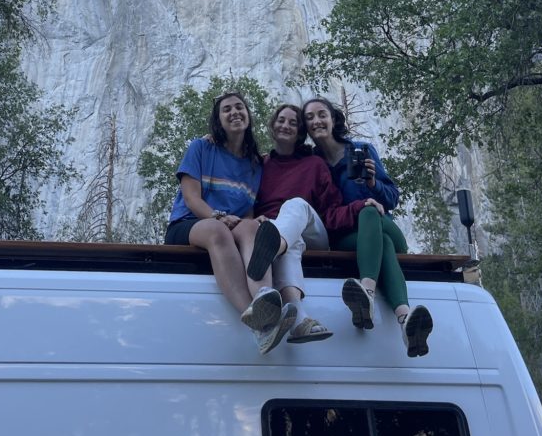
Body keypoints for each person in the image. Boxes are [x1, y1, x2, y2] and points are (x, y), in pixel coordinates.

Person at [164, 91, 297, 354]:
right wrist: (219, 217)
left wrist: (251, 220)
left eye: (240, 107)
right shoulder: (201, 148)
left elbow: (245, 210)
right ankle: (258, 323)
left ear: (248, 115)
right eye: (227, 109)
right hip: (191, 223)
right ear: (219, 120)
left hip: (228, 225)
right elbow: (191, 198)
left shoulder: (255, 164)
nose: (234, 112)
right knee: (217, 231)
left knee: (252, 228)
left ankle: (264, 299)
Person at [303, 95, 433, 358]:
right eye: (309, 117)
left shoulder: (361, 150)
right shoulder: (313, 164)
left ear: (332, 118)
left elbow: (392, 198)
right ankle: (405, 319)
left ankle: (367, 293)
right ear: (305, 127)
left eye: (322, 114)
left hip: (385, 227)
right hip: (347, 241)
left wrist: (373, 184)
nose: (317, 120)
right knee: (377, 237)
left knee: (370, 210)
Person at [246, 104, 382, 344]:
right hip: (278, 233)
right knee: (291, 241)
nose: (286, 125)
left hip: (313, 233)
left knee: (295, 205)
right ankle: (299, 319)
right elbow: (243, 199)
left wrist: (359, 206)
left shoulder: (313, 165)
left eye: (293, 122)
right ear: (272, 126)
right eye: (281, 120)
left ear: (300, 132)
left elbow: (331, 212)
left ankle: (273, 245)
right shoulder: (259, 165)